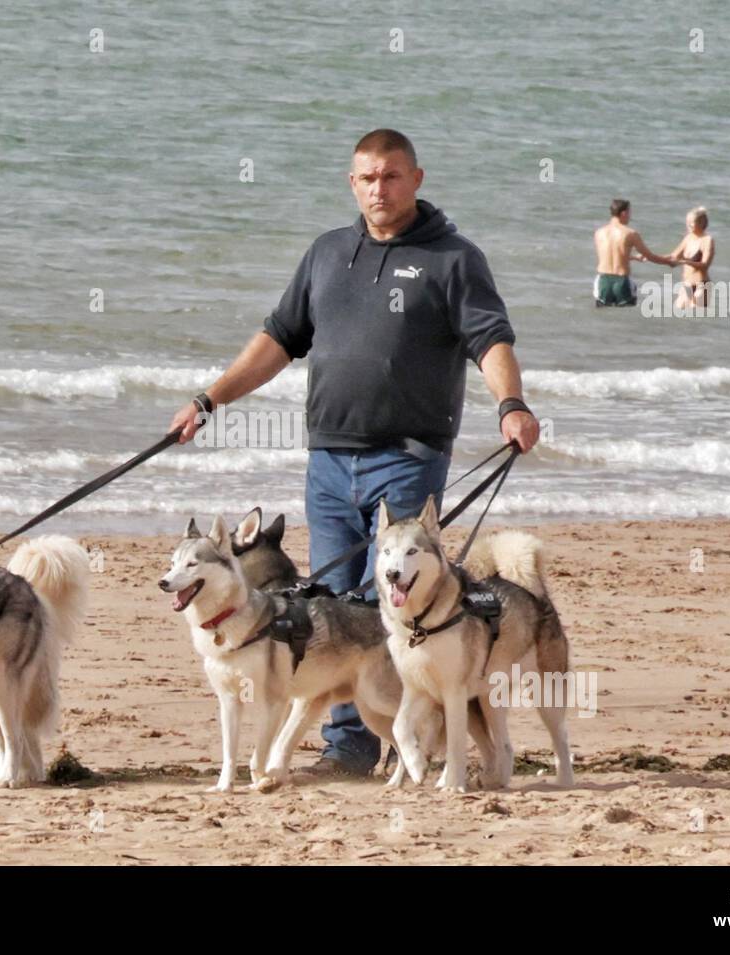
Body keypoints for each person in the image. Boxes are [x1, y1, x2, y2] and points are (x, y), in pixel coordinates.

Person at [166, 129, 540, 777]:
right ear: (351, 182)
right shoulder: (328, 254)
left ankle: (421, 741)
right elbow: (278, 339)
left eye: (392, 176)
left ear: (417, 179)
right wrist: (209, 399)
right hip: (330, 458)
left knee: (397, 599)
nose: (379, 188)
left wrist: (511, 404)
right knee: (333, 605)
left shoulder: (453, 258)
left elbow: (490, 338)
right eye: (367, 177)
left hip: (409, 455)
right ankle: (349, 746)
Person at [594, 198, 676, 306]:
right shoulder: (630, 234)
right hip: (621, 282)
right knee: (626, 320)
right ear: (624, 213)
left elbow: (610, 255)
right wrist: (668, 262)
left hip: (603, 280)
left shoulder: (599, 233)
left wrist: (634, 258)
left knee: (602, 318)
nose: (630, 216)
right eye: (629, 212)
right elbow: (650, 256)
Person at [667, 206, 715, 309]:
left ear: (701, 223)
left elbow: (704, 265)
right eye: (687, 221)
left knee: (694, 313)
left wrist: (684, 262)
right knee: (677, 313)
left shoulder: (707, 240)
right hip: (687, 285)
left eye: (691, 222)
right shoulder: (688, 238)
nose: (688, 224)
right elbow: (673, 256)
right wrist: (649, 257)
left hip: (702, 286)